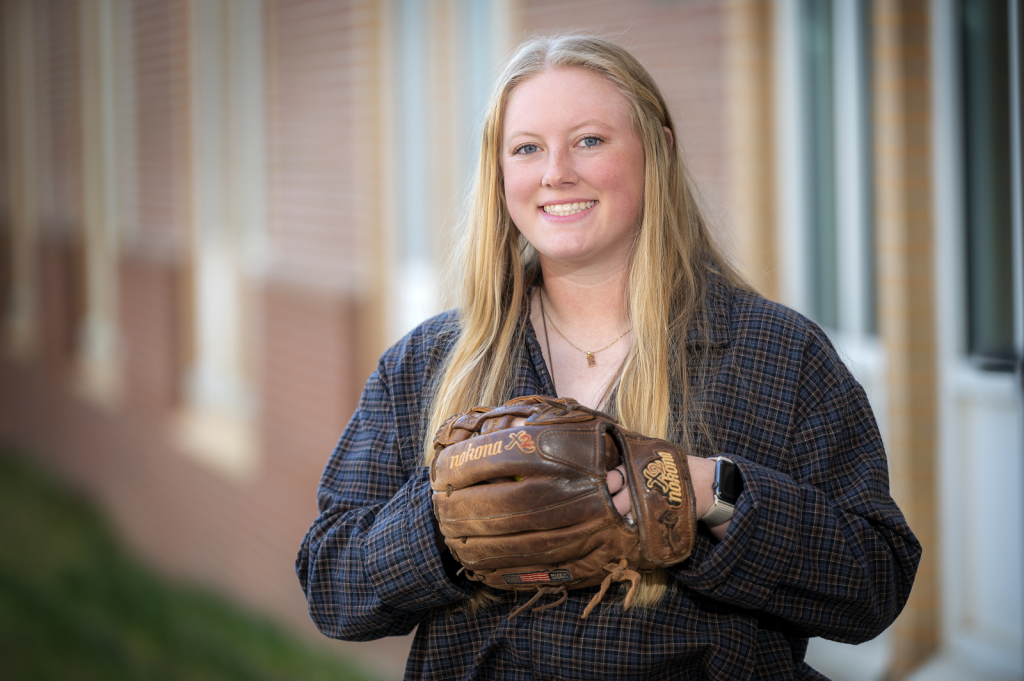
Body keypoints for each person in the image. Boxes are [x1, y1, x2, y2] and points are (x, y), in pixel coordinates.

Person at [296, 34, 921, 680]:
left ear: (658, 149)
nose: (555, 172)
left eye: (589, 140)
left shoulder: (779, 355)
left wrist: (714, 494)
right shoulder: (426, 364)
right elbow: (331, 586)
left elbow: (875, 580)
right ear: (500, 171)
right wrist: (442, 526)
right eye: (527, 148)